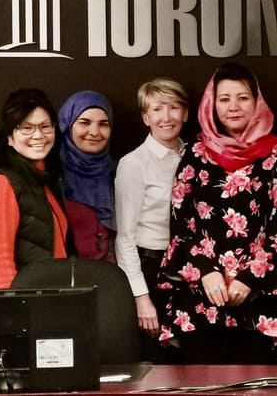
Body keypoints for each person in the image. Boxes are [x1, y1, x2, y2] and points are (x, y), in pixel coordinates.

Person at [156, 63, 277, 364]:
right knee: (200, 385)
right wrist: (207, 273)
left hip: (256, 293)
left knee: (254, 386)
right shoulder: (195, 153)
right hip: (201, 292)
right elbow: (182, 223)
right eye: (224, 99)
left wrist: (248, 277)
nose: (233, 107)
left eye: (243, 98)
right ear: (212, 103)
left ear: (257, 102)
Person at [0, 89, 72, 289]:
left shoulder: (43, 180)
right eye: (26, 128)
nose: (38, 135)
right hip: (19, 313)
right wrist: (15, 317)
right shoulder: (0, 184)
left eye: (45, 126)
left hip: (48, 306)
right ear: (9, 136)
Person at [115, 78, 189, 362]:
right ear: (146, 117)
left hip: (188, 269)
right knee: (157, 360)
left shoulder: (194, 155)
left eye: (174, 107)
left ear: (185, 113)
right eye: (157, 109)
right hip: (151, 268)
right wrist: (140, 297)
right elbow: (125, 237)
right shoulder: (133, 164)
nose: (166, 117)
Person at [58, 91, 116, 262]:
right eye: (85, 122)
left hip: (110, 277)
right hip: (64, 277)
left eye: (103, 124)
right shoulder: (51, 174)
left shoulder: (118, 172)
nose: (94, 132)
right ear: (67, 125)